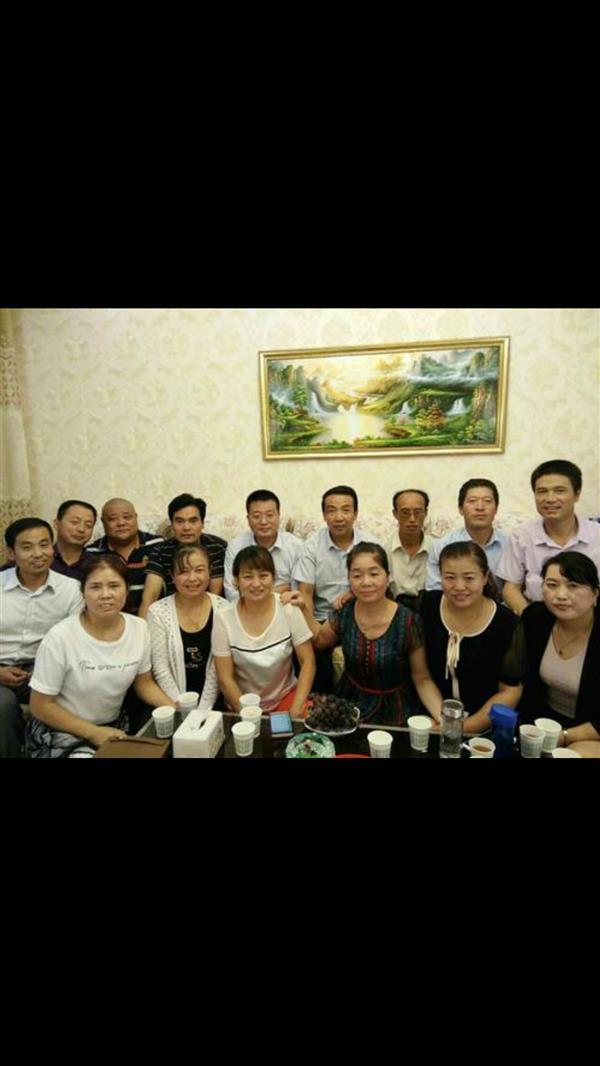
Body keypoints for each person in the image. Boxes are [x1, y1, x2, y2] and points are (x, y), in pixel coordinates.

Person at [26, 555, 175, 758]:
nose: (106, 595)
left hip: (112, 727)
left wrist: (175, 709)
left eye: (114, 586)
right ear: (83, 592)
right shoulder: (60, 637)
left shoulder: (139, 628)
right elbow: (40, 705)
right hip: (61, 730)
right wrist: (92, 732)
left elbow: (144, 683)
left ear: (127, 589)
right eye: (95, 587)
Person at [284, 543, 443, 727]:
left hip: (397, 709)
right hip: (348, 705)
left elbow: (422, 678)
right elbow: (320, 640)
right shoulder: (345, 612)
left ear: (388, 577)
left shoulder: (408, 621)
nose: (366, 582)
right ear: (349, 579)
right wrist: (304, 608)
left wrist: (444, 720)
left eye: (374, 574)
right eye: (357, 575)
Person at [0, 518, 84, 758]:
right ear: (11, 553)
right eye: (27, 547)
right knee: (2, 705)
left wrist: (45, 673)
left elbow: (74, 640)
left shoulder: (71, 589)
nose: (38, 553)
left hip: (46, 670)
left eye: (44, 544)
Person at [420, 542, 521, 735]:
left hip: (484, 726)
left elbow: (510, 691)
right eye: (450, 577)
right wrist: (444, 722)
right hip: (432, 717)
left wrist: (463, 728)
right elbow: (422, 676)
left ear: (485, 577)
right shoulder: (428, 606)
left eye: (469, 578)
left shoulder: (507, 624)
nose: (459, 587)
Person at [504, 552, 600, 754]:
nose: (561, 595)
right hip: (540, 726)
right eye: (552, 585)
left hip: (589, 733)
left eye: (573, 586)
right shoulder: (536, 619)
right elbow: (516, 679)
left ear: (595, 593)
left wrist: (565, 736)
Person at [292, 485, 379, 691]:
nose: (339, 517)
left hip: (361, 613)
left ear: (355, 514)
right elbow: (306, 593)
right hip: (323, 616)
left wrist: (354, 593)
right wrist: (312, 628)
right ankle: (321, 702)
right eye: (331, 510)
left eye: (346, 510)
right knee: (311, 650)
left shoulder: (371, 544)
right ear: (324, 515)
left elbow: (380, 585)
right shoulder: (312, 546)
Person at [212, 546, 315, 716]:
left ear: (273, 578)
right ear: (236, 581)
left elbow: (308, 662)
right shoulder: (223, 617)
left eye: (263, 576)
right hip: (242, 704)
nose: (256, 584)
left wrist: (296, 709)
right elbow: (225, 678)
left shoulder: (288, 608)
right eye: (248, 576)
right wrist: (249, 714)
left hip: (286, 698)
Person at [496, 459, 600, 616]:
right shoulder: (521, 535)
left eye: (559, 490)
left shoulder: (597, 535)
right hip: (537, 615)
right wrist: (531, 619)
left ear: (577, 494)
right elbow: (511, 588)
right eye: (542, 491)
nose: (550, 499)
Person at [147, 544, 228, 707]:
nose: (192, 578)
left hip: (217, 701)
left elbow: (219, 670)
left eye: (199, 570)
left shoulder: (225, 609)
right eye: (184, 572)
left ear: (209, 572)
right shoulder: (158, 612)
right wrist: (183, 708)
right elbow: (161, 670)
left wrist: (202, 711)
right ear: (172, 576)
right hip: (172, 702)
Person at [138, 493, 227, 618]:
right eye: (179, 521)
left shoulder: (218, 547)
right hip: (172, 613)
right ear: (172, 525)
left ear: (202, 523)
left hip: (209, 612)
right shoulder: (160, 551)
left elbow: (215, 596)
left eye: (193, 521)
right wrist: (143, 628)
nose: (186, 527)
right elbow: (150, 596)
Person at [426, 479, 508, 592]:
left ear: (496, 509)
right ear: (460, 509)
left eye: (487, 501)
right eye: (472, 501)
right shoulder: (441, 546)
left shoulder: (510, 545)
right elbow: (435, 592)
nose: (480, 507)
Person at [87, 497, 164, 613]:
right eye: (112, 519)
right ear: (103, 522)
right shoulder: (92, 553)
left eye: (127, 517)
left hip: (153, 618)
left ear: (136, 518)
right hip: (108, 619)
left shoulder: (158, 545)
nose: (121, 523)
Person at [223, 490, 303, 601]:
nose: (264, 522)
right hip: (246, 608)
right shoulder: (236, 546)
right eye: (256, 516)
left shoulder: (296, 546)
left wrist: (254, 594)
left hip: (284, 606)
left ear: (278, 516)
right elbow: (231, 593)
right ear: (248, 519)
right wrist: (279, 590)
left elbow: (297, 593)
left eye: (270, 515)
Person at [385, 489, 436, 611]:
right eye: (405, 512)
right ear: (395, 514)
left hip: (430, 609)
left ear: (426, 513)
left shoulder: (437, 548)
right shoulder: (383, 550)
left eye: (417, 512)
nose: (412, 519)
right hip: (393, 610)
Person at [51, 499, 97, 581]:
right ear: (57, 524)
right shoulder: (42, 559)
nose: (81, 529)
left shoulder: (96, 565)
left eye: (88, 525)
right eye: (75, 522)